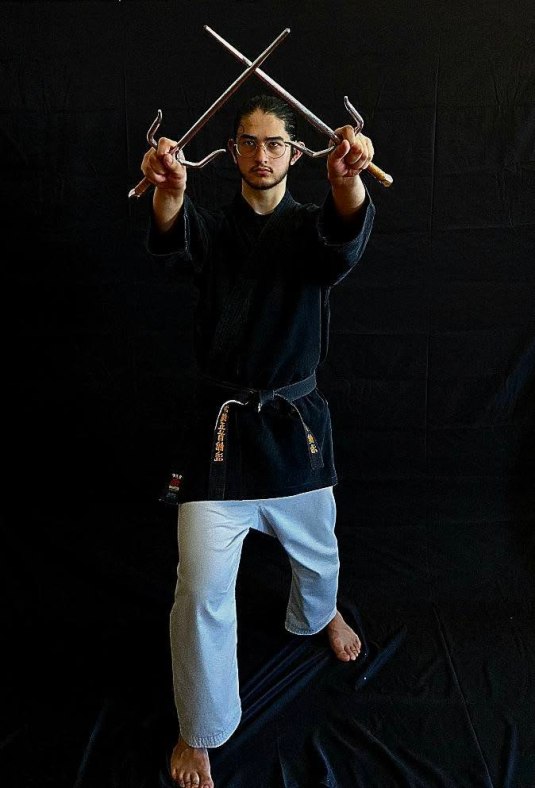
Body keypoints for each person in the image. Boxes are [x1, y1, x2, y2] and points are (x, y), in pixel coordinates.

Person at [139, 94, 376, 788]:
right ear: (232, 151)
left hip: (295, 433)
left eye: (275, 143)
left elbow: (344, 234)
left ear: (297, 154)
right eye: (248, 142)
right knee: (200, 592)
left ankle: (317, 614)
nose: (261, 154)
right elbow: (174, 234)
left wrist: (348, 180)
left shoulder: (311, 229)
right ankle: (201, 729)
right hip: (218, 440)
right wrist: (169, 189)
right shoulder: (214, 230)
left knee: (320, 562)